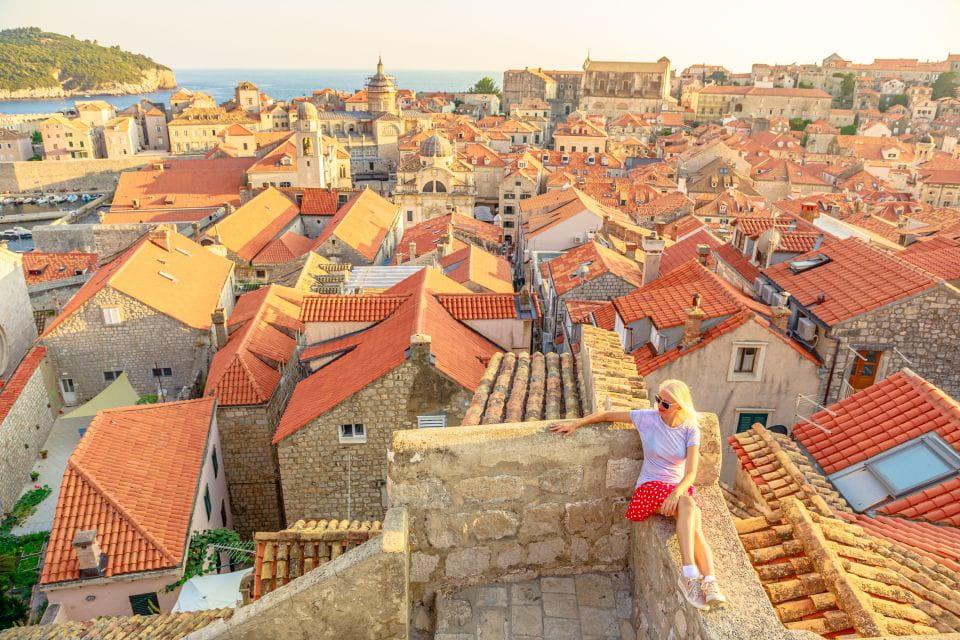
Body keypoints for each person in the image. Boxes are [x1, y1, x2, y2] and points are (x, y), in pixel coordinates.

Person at [550, 379, 726, 610]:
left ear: (679, 407)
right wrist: (576, 424)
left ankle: (709, 581)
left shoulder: (690, 428)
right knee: (688, 508)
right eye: (657, 399)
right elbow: (606, 415)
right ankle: (689, 574)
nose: (658, 406)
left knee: (694, 524)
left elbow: (691, 472)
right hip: (650, 485)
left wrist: (676, 493)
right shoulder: (647, 418)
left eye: (664, 403)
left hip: (678, 488)